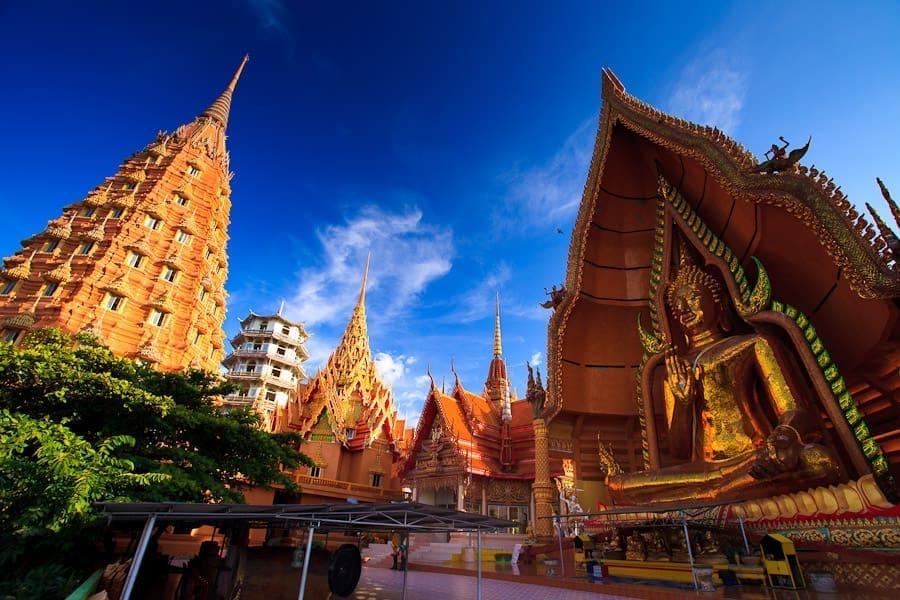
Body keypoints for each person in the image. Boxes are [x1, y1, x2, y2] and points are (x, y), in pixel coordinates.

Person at [608, 249, 840, 504]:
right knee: (619, 486)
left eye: (694, 297)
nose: (684, 308)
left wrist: (783, 437)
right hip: (703, 470)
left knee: (819, 460)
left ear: (717, 300)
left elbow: (797, 410)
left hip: (755, 456)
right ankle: (718, 494)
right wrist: (683, 404)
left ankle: (712, 497)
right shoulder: (676, 368)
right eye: (677, 305)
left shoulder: (752, 344)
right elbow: (680, 450)